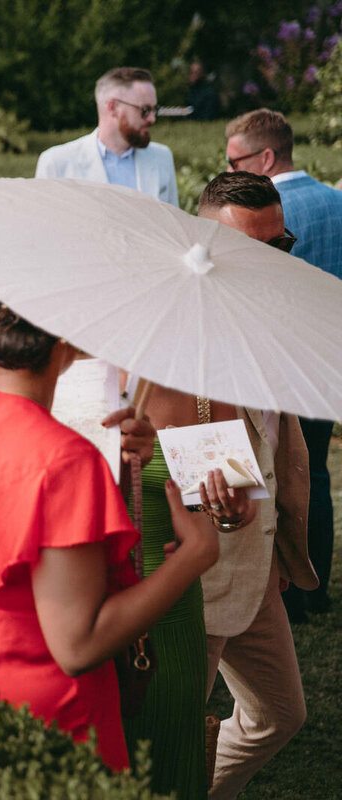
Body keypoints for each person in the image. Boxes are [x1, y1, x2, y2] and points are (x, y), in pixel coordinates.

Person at [0, 287, 218, 771]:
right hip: (57, 720)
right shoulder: (66, 461)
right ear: (67, 340)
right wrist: (192, 559)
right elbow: (77, 645)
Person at [179, 172, 314, 799]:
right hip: (193, 575)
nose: (267, 265)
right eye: (249, 252)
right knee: (169, 737)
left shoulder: (273, 315)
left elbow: (274, 438)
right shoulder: (171, 332)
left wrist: (275, 540)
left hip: (260, 566)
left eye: (278, 246)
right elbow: (154, 447)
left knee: (280, 716)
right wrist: (220, 511)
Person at [224, 108, 340, 620]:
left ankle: (283, 588)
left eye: (235, 161)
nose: (228, 172)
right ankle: (318, 586)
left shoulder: (260, 214)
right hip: (329, 358)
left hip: (276, 362)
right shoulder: (337, 202)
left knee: (275, 476)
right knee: (314, 472)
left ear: (265, 157)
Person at [36, 67, 179, 206]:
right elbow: (44, 226)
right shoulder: (56, 163)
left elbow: (174, 227)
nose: (152, 119)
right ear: (113, 107)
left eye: (155, 109)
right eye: (145, 110)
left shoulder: (162, 157)